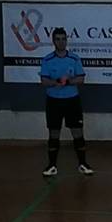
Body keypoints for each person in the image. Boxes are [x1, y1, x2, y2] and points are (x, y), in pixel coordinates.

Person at [39, 27, 93, 177]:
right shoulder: (47, 60)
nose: (61, 42)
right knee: (54, 133)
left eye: (63, 39)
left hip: (72, 101)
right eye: (58, 39)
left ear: (66, 40)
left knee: (77, 132)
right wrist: (55, 81)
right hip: (54, 102)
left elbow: (81, 78)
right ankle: (52, 166)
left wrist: (68, 81)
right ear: (53, 41)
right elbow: (44, 80)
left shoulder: (74, 59)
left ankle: (83, 164)